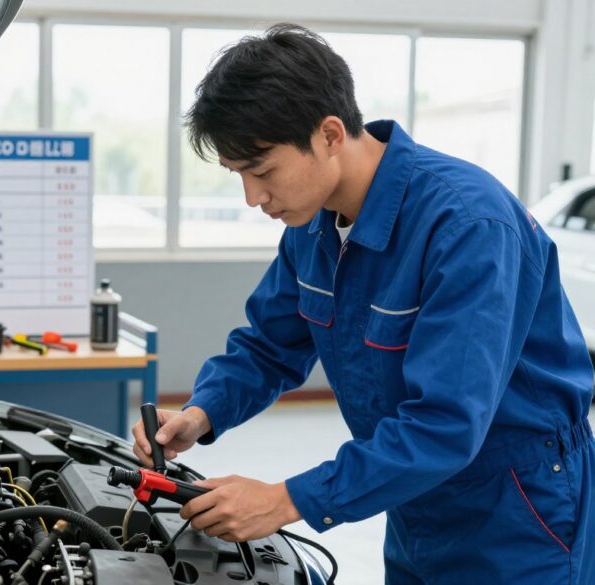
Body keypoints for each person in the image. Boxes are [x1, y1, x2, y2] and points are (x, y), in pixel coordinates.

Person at [131, 23, 595, 583]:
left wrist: (286, 500)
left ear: (329, 134)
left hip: (517, 505)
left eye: (262, 171)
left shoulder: (468, 226)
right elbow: (270, 345)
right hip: (412, 494)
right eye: (238, 176)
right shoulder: (313, 224)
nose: (253, 198)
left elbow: (446, 424)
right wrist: (202, 411)